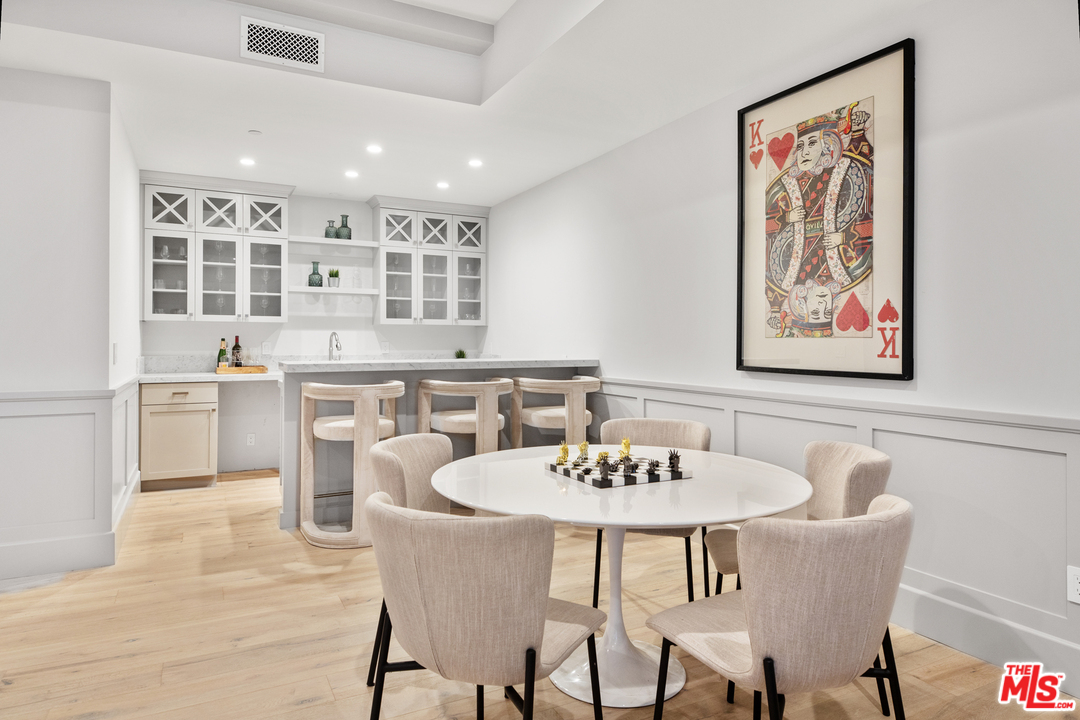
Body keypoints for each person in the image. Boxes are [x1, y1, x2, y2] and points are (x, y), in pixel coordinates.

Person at [764, 101, 873, 338]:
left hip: (833, 265)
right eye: (800, 145)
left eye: (811, 144)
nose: (802, 152)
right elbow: (764, 228)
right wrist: (786, 218)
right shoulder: (788, 184)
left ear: (828, 148)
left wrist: (842, 237)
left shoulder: (847, 171)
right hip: (797, 265)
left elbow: (871, 221)